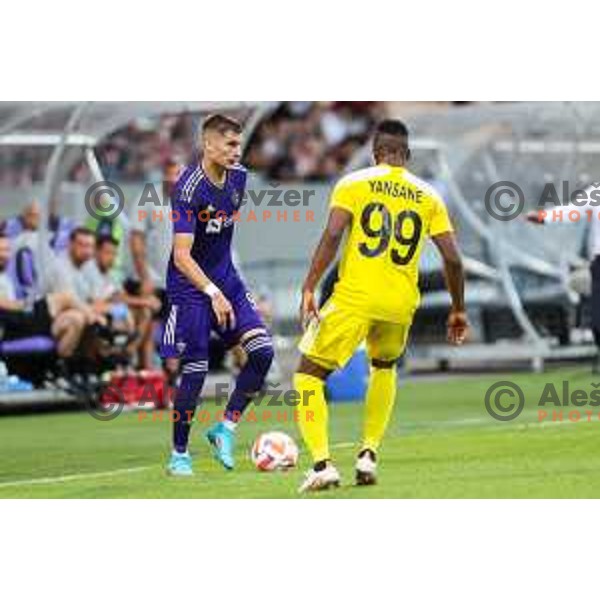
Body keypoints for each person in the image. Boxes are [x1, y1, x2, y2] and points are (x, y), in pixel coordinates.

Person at [293, 120, 468, 493]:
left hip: (355, 298)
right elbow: (453, 259)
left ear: (375, 155)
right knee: (384, 366)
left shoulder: (353, 184)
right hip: (400, 304)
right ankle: (368, 453)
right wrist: (458, 309)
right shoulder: (428, 195)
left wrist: (309, 285)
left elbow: (334, 234)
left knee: (307, 376)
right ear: (407, 156)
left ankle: (322, 464)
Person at [162, 114, 274, 477]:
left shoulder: (239, 178)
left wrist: (223, 289)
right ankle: (178, 453)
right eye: (229, 144)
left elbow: (220, 237)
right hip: (190, 288)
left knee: (262, 352)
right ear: (207, 145)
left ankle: (225, 428)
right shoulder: (188, 188)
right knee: (195, 369)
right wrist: (211, 292)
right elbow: (182, 256)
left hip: (226, 281)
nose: (236, 151)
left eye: (239, 144)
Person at [0, 233, 88, 359]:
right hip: (9, 326)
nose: (4, 254)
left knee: (76, 318)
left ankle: (61, 369)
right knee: (65, 297)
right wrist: (28, 303)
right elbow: (6, 304)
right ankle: (97, 321)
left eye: (7, 250)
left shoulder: (4, 277)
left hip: (19, 320)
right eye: (0, 250)